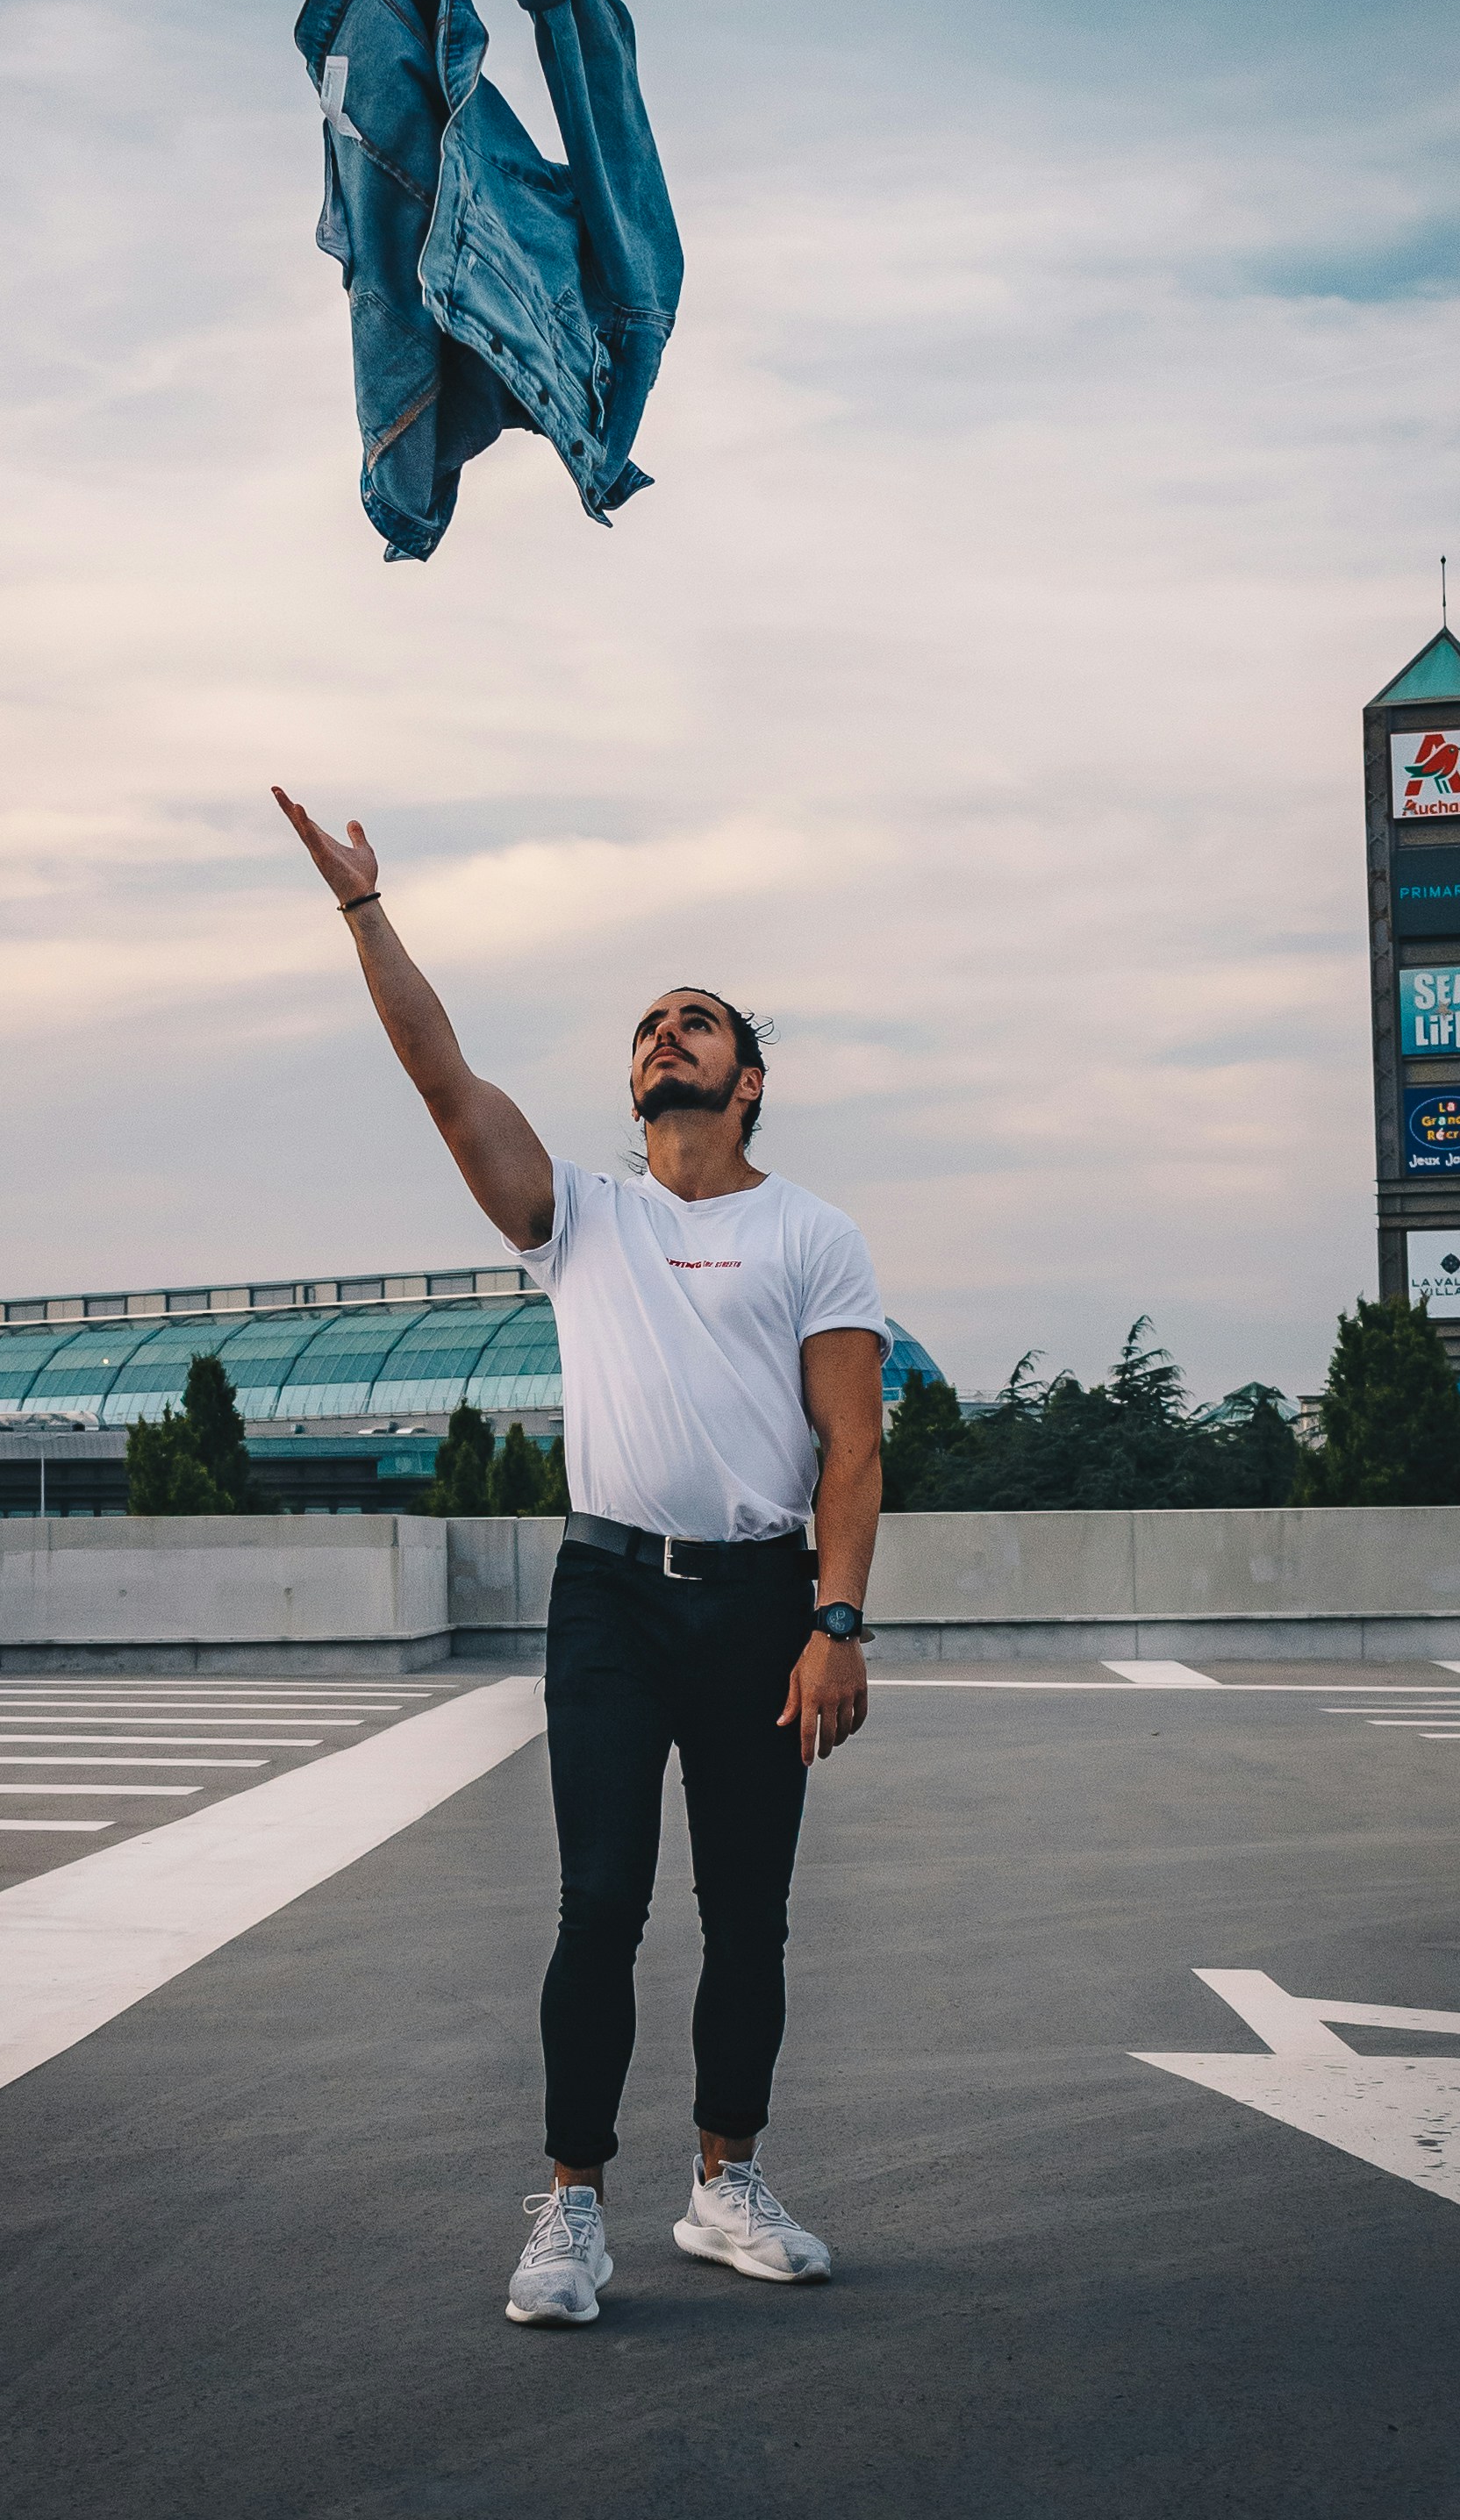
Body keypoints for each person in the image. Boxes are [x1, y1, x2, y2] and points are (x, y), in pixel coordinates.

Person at [274, 787, 889, 2327]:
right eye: (648, 1026)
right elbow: (442, 1080)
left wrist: (837, 1618)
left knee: (751, 1915)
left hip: (761, 1604)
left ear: (751, 1079)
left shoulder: (816, 1233)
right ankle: (567, 2210)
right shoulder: (581, 1217)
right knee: (600, 1902)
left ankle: (724, 2180)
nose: (666, 1035)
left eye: (698, 1023)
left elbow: (854, 1449)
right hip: (610, 1596)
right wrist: (363, 909)